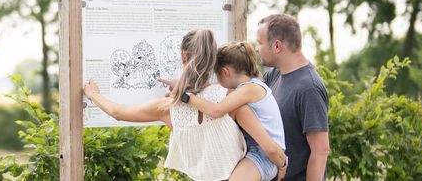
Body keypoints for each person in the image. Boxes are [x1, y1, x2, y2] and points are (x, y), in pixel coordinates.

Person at [82, 29, 278, 181]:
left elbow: (117, 112)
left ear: (184, 56)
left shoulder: (167, 107)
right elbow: (268, 145)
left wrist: (92, 94)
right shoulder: (232, 99)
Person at [185, 41, 288, 181]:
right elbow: (210, 89)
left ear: (225, 72)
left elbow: (216, 111)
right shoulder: (251, 86)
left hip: (265, 157)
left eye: (216, 74)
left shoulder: (250, 89)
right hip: (261, 153)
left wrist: (185, 97)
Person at [257, 14, 329, 181]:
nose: (256, 48)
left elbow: (320, 150)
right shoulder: (273, 75)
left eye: (260, 43)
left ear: (276, 46)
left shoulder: (309, 88)